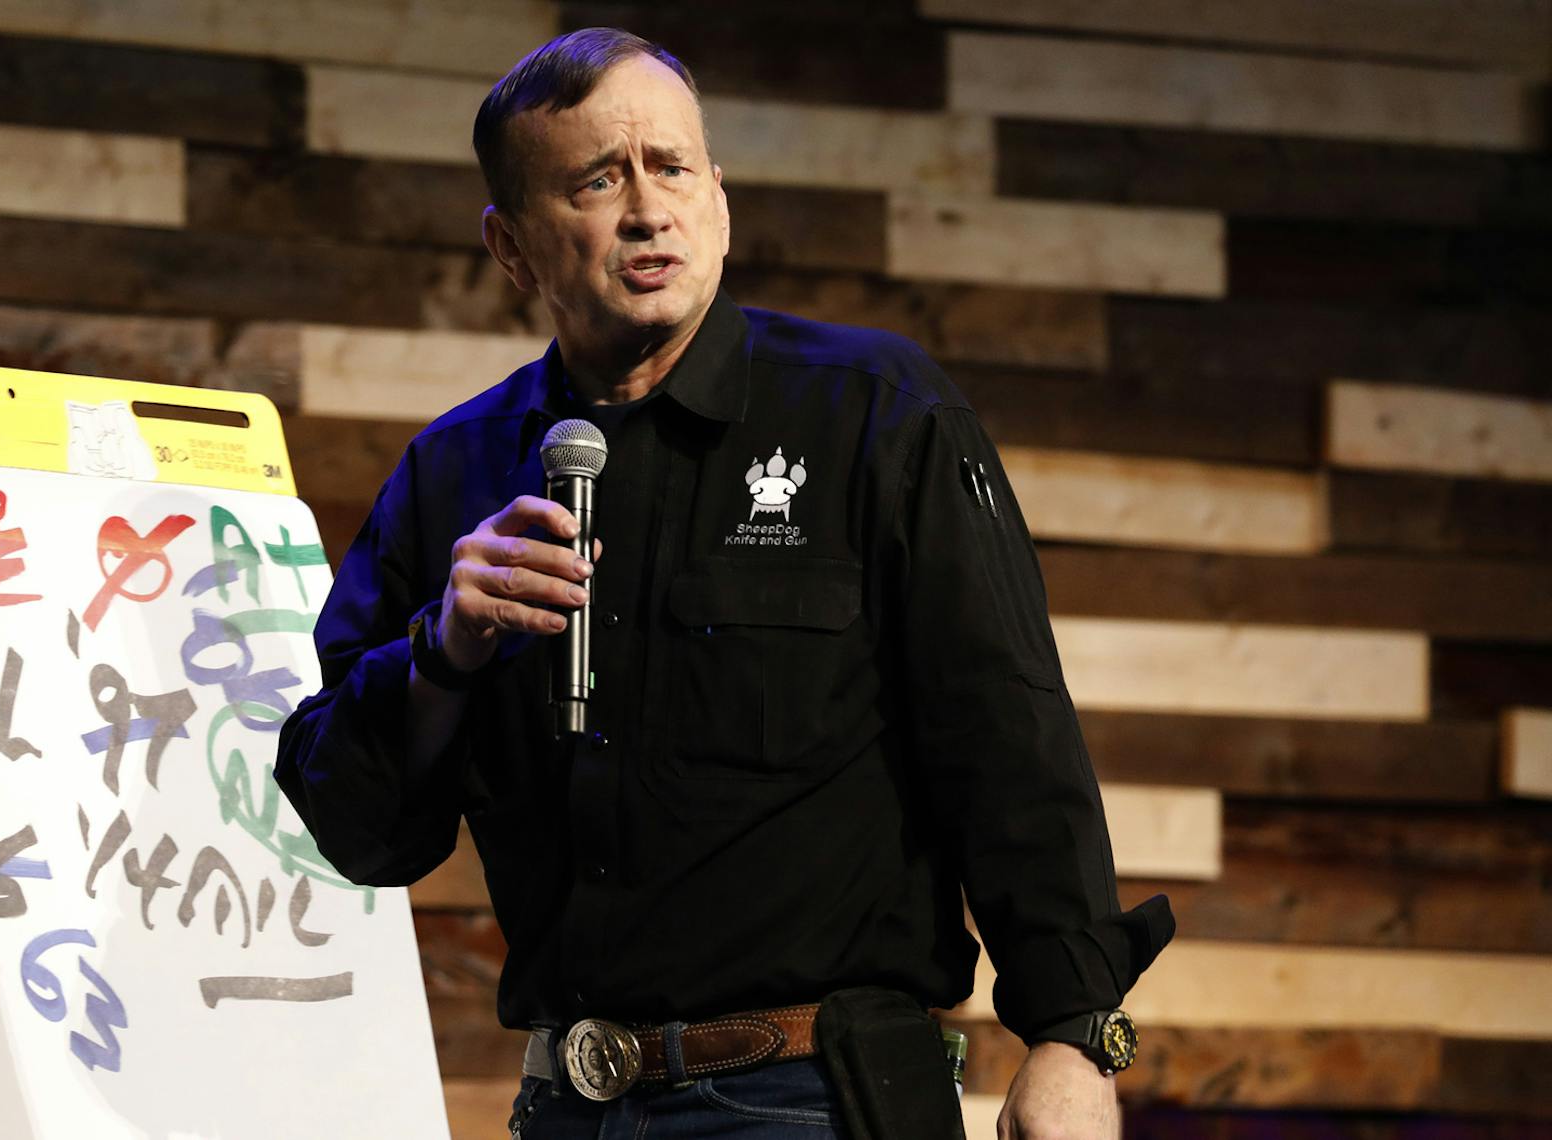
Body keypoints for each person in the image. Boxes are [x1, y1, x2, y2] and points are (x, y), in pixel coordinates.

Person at [275, 27, 1171, 1139]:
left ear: (722, 202)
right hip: (570, 1104)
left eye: (674, 168)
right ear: (511, 248)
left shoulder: (877, 412)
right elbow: (362, 833)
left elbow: (1009, 738)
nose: (649, 210)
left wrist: (1074, 1033)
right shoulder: (455, 472)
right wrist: (441, 654)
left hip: (812, 1100)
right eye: (598, 180)